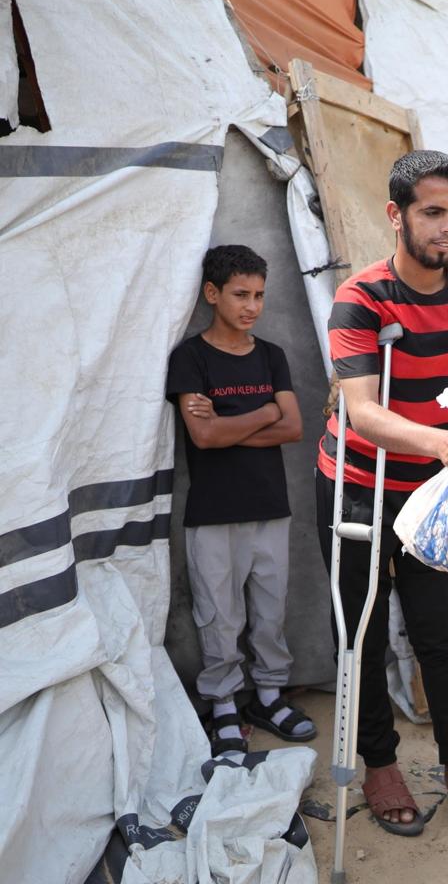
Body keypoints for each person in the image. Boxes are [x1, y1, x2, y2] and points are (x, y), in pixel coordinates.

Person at [314, 150, 448, 842]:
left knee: (438, 629)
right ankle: (379, 764)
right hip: (358, 485)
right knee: (363, 630)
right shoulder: (362, 299)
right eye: (433, 212)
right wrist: (437, 442)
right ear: (395, 214)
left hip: (437, 491)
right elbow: (362, 412)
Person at [166, 245, 315, 758]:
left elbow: (294, 427)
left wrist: (228, 421)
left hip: (270, 505)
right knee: (218, 614)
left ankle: (269, 696)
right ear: (213, 294)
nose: (252, 305)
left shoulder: (271, 355)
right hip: (212, 511)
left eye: (259, 295)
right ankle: (224, 703)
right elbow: (202, 439)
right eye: (240, 295)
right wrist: (262, 413)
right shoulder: (191, 358)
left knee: (270, 610)